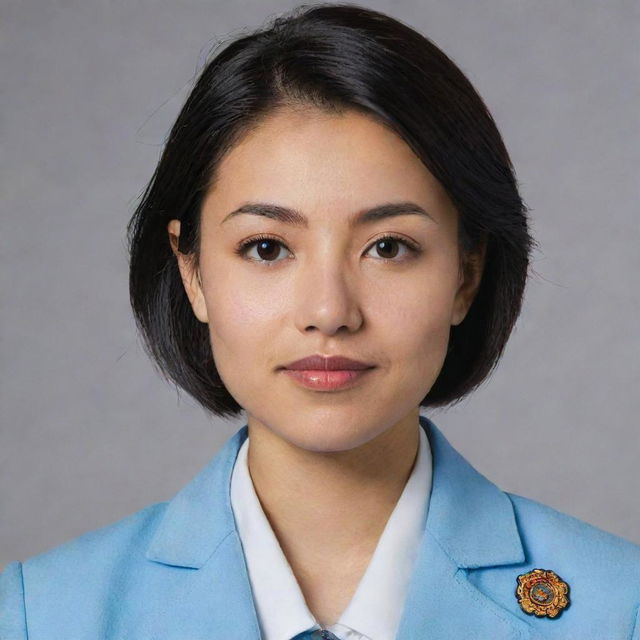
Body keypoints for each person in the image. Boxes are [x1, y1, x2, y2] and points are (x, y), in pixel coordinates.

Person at [1, 3, 639, 639]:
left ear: (465, 276)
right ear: (192, 272)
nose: (329, 313)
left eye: (388, 247)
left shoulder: (619, 610)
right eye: (267, 248)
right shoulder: (41, 616)